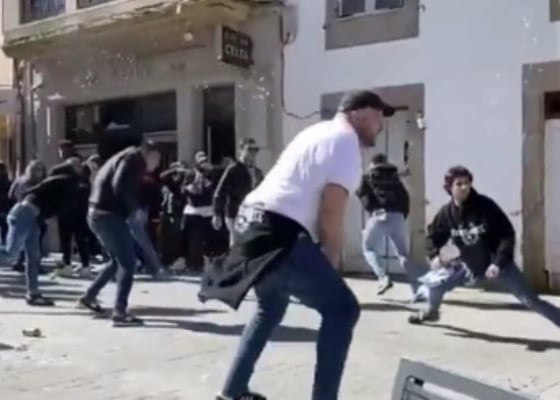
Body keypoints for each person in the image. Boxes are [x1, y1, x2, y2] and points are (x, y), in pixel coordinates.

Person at [200, 90, 395, 400]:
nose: (381, 124)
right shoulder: (346, 141)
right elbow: (331, 211)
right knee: (342, 309)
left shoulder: (315, 132)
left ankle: (232, 392)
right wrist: (331, 263)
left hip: (251, 222)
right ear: (358, 113)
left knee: (269, 307)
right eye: (379, 115)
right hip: (277, 230)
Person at [409, 165, 560, 326]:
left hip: (497, 263)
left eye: (467, 183)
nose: (464, 187)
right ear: (449, 187)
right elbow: (433, 237)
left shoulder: (485, 206)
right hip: (468, 265)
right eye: (459, 184)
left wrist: (498, 262)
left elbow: (507, 234)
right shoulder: (447, 213)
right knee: (434, 284)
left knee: (530, 300)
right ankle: (432, 312)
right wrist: (434, 256)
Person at [77, 141, 161, 327]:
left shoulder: (123, 156)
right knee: (129, 262)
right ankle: (120, 313)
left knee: (117, 261)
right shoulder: (134, 159)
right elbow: (120, 184)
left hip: (97, 214)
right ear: (148, 153)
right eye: (157, 159)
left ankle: (89, 297)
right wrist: (132, 209)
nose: (157, 164)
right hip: (109, 215)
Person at [0, 169, 81, 305]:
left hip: (31, 217)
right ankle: (33, 293)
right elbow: (35, 191)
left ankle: (33, 293)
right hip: (25, 214)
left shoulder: (63, 185)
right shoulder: (64, 181)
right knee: (11, 255)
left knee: (34, 258)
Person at [357, 153, 415, 295]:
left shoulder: (368, 177)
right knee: (402, 253)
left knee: (368, 247)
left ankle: (383, 277)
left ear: (372, 164)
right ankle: (419, 284)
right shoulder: (395, 177)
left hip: (379, 215)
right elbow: (405, 196)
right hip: (398, 216)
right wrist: (402, 214)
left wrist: (372, 210)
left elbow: (363, 196)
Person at [212, 138, 264, 244]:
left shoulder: (258, 172)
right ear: (241, 150)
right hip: (235, 212)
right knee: (238, 243)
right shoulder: (234, 169)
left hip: (252, 213)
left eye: (255, 150)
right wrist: (217, 213)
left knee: (250, 244)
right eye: (249, 149)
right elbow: (221, 192)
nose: (253, 153)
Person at [49, 154, 92, 277]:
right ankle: (67, 263)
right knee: (65, 240)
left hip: (80, 214)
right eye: (73, 165)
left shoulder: (85, 178)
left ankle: (85, 265)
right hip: (65, 213)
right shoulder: (64, 178)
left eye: (78, 165)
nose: (76, 167)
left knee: (81, 240)